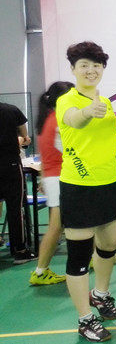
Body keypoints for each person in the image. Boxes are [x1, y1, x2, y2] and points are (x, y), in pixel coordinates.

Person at [57, 41, 116, 342]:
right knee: (79, 256)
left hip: (109, 182)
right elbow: (74, 119)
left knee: (109, 246)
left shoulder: (106, 102)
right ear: (73, 69)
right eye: (84, 65)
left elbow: (111, 137)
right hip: (79, 186)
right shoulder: (67, 101)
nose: (91, 70)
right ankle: (85, 319)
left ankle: (100, 294)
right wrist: (87, 111)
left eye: (96, 65)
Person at [29, 81, 74, 285]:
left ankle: (92, 256)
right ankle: (40, 272)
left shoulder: (47, 119)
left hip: (53, 177)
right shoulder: (59, 120)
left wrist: (43, 179)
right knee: (55, 227)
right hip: (59, 177)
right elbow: (71, 151)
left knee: (75, 223)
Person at [0, 99, 34, 264]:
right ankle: (20, 251)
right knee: (15, 208)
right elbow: (24, 135)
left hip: (9, 163)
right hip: (10, 165)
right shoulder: (11, 110)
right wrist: (21, 140)